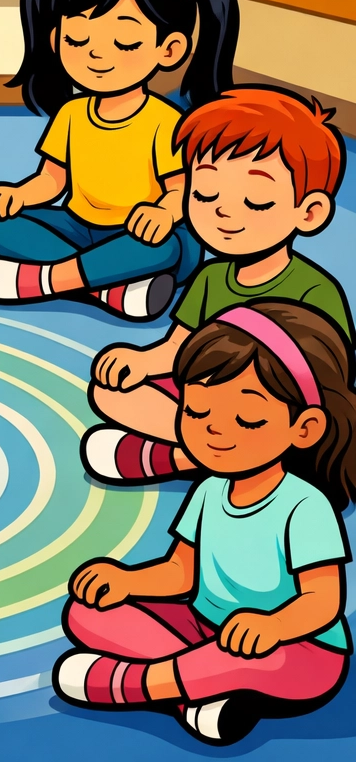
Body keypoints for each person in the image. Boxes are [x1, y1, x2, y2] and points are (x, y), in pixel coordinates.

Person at [55, 302, 352, 745]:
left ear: (303, 428)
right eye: (195, 413)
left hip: (299, 649)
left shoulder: (304, 506)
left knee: (243, 662)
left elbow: (322, 603)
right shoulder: (210, 490)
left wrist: (271, 626)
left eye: (248, 419)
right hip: (203, 627)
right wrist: (127, 581)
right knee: (87, 612)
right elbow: (180, 571)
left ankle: (138, 685)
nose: (214, 432)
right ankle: (197, 696)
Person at [84, 87, 351, 483]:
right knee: (110, 392)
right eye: (205, 193)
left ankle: (182, 459)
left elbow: (327, 385)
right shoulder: (211, 277)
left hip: (271, 414)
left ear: (309, 212)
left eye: (256, 201)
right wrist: (140, 362)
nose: (223, 211)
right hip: (202, 403)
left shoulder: (316, 291)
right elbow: (178, 347)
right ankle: (220, 454)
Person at [0, 0, 240, 319]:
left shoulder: (164, 122)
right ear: (56, 40)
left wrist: (163, 213)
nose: (96, 54)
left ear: (170, 49)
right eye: (77, 40)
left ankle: (47, 280)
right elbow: (52, 180)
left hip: (140, 234)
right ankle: (108, 291)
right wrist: (17, 195)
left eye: (125, 43)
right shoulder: (71, 113)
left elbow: (182, 190)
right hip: (77, 228)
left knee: (170, 249)